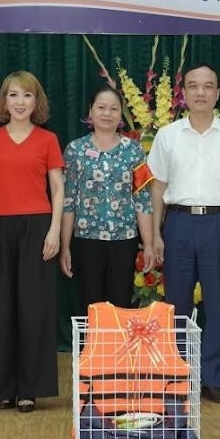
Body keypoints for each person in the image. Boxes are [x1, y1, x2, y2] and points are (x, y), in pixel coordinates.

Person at [148, 63, 220, 405]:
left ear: (217, 93)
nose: (200, 92)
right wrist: (155, 234)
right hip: (178, 223)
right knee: (175, 305)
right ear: (183, 93)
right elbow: (157, 187)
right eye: (193, 86)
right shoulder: (167, 135)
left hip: (219, 225)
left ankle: (213, 379)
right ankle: (177, 378)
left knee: (218, 303)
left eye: (208, 86)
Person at [0, 71, 64, 413]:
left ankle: (30, 389)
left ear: (36, 101)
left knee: (34, 309)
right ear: (4, 100)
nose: (20, 102)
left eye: (27, 96)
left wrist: (54, 230)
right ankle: (5, 389)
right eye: (13, 95)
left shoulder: (48, 140)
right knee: (1, 310)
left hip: (38, 228)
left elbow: (57, 188)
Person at [60, 85, 155, 311]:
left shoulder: (134, 150)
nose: (107, 113)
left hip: (124, 239)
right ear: (90, 112)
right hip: (86, 239)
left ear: (121, 114)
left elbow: (142, 199)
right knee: (90, 304)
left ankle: (117, 348)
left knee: (120, 304)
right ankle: (91, 347)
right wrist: (65, 246)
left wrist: (149, 244)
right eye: (101, 107)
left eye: (113, 108)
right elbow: (68, 201)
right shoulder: (75, 150)